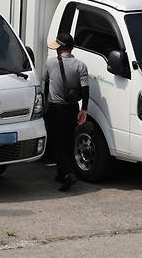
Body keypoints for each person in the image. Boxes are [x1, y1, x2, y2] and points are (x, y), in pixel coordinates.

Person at [43, 32, 89, 192]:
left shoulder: (50, 63)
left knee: (55, 144)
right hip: (72, 108)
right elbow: (85, 90)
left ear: (60, 48)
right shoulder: (80, 65)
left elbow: (47, 86)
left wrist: (45, 106)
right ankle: (62, 174)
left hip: (56, 108)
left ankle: (69, 174)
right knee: (68, 142)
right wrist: (84, 109)